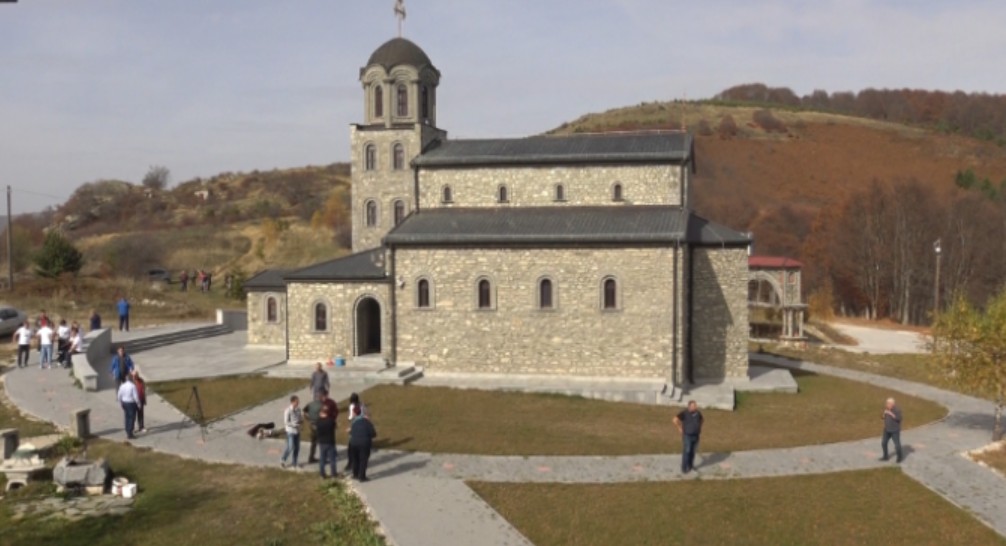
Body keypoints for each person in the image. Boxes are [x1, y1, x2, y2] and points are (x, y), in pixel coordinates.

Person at [673, 400, 704, 474]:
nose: (695, 407)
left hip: (696, 435)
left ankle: (690, 466)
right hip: (687, 435)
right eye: (693, 406)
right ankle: (684, 467)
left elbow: (702, 420)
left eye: (695, 405)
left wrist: (699, 427)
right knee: (687, 451)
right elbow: (675, 420)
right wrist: (679, 428)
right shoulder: (684, 413)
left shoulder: (698, 413)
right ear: (689, 406)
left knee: (693, 452)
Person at [348, 406, 377, 482]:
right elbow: (373, 434)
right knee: (363, 460)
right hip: (364, 443)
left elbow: (351, 432)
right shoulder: (367, 423)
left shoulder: (354, 422)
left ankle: (355, 474)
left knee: (355, 459)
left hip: (353, 442)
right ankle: (361, 476)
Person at [280, 395, 303, 469]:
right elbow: (286, 422)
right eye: (296, 401)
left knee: (297, 448)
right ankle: (283, 459)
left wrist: (301, 421)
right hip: (290, 431)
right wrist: (294, 425)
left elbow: (300, 418)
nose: (298, 403)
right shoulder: (288, 410)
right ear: (292, 402)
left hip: (297, 431)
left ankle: (294, 463)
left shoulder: (298, 409)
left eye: (298, 401)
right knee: (290, 447)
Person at [316, 407, 338, 479]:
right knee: (332, 459)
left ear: (321, 413)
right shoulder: (331, 421)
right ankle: (333, 474)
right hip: (330, 441)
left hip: (322, 442)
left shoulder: (318, 422)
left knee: (322, 459)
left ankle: (322, 474)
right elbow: (335, 427)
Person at [117, 374, 140, 440]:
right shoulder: (133, 386)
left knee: (127, 416)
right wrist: (138, 404)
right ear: (131, 379)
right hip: (131, 403)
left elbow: (119, 395)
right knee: (131, 418)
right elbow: (135, 396)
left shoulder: (122, 385)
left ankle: (127, 430)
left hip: (124, 402)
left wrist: (120, 403)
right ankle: (130, 433)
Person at [303, 391, 324, 464]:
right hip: (319, 425)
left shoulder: (310, 404)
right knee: (322, 442)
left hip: (312, 425)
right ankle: (323, 458)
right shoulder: (321, 405)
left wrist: (308, 418)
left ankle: (311, 457)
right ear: (320, 397)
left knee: (313, 442)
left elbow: (304, 411)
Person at [881, 397, 903, 463]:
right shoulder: (887, 409)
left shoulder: (897, 410)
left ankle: (899, 457)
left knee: (897, 445)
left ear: (892, 404)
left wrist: (891, 414)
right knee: (884, 443)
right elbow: (882, 417)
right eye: (887, 403)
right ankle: (885, 456)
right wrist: (884, 414)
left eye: (888, 403)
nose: (887, 404)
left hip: (894, 430)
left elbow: (899, 419)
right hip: (887, 430)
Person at [132, 370, 148, 434]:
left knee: (140, 414)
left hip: (140, 399)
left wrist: (145, 399)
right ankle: (132, 428)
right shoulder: (131, 382)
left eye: (136, 375)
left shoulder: (141, 380)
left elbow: (143, 390)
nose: (135, 377)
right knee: (133, 415)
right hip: (133, 401)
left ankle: (141, 427)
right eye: (134, 375)